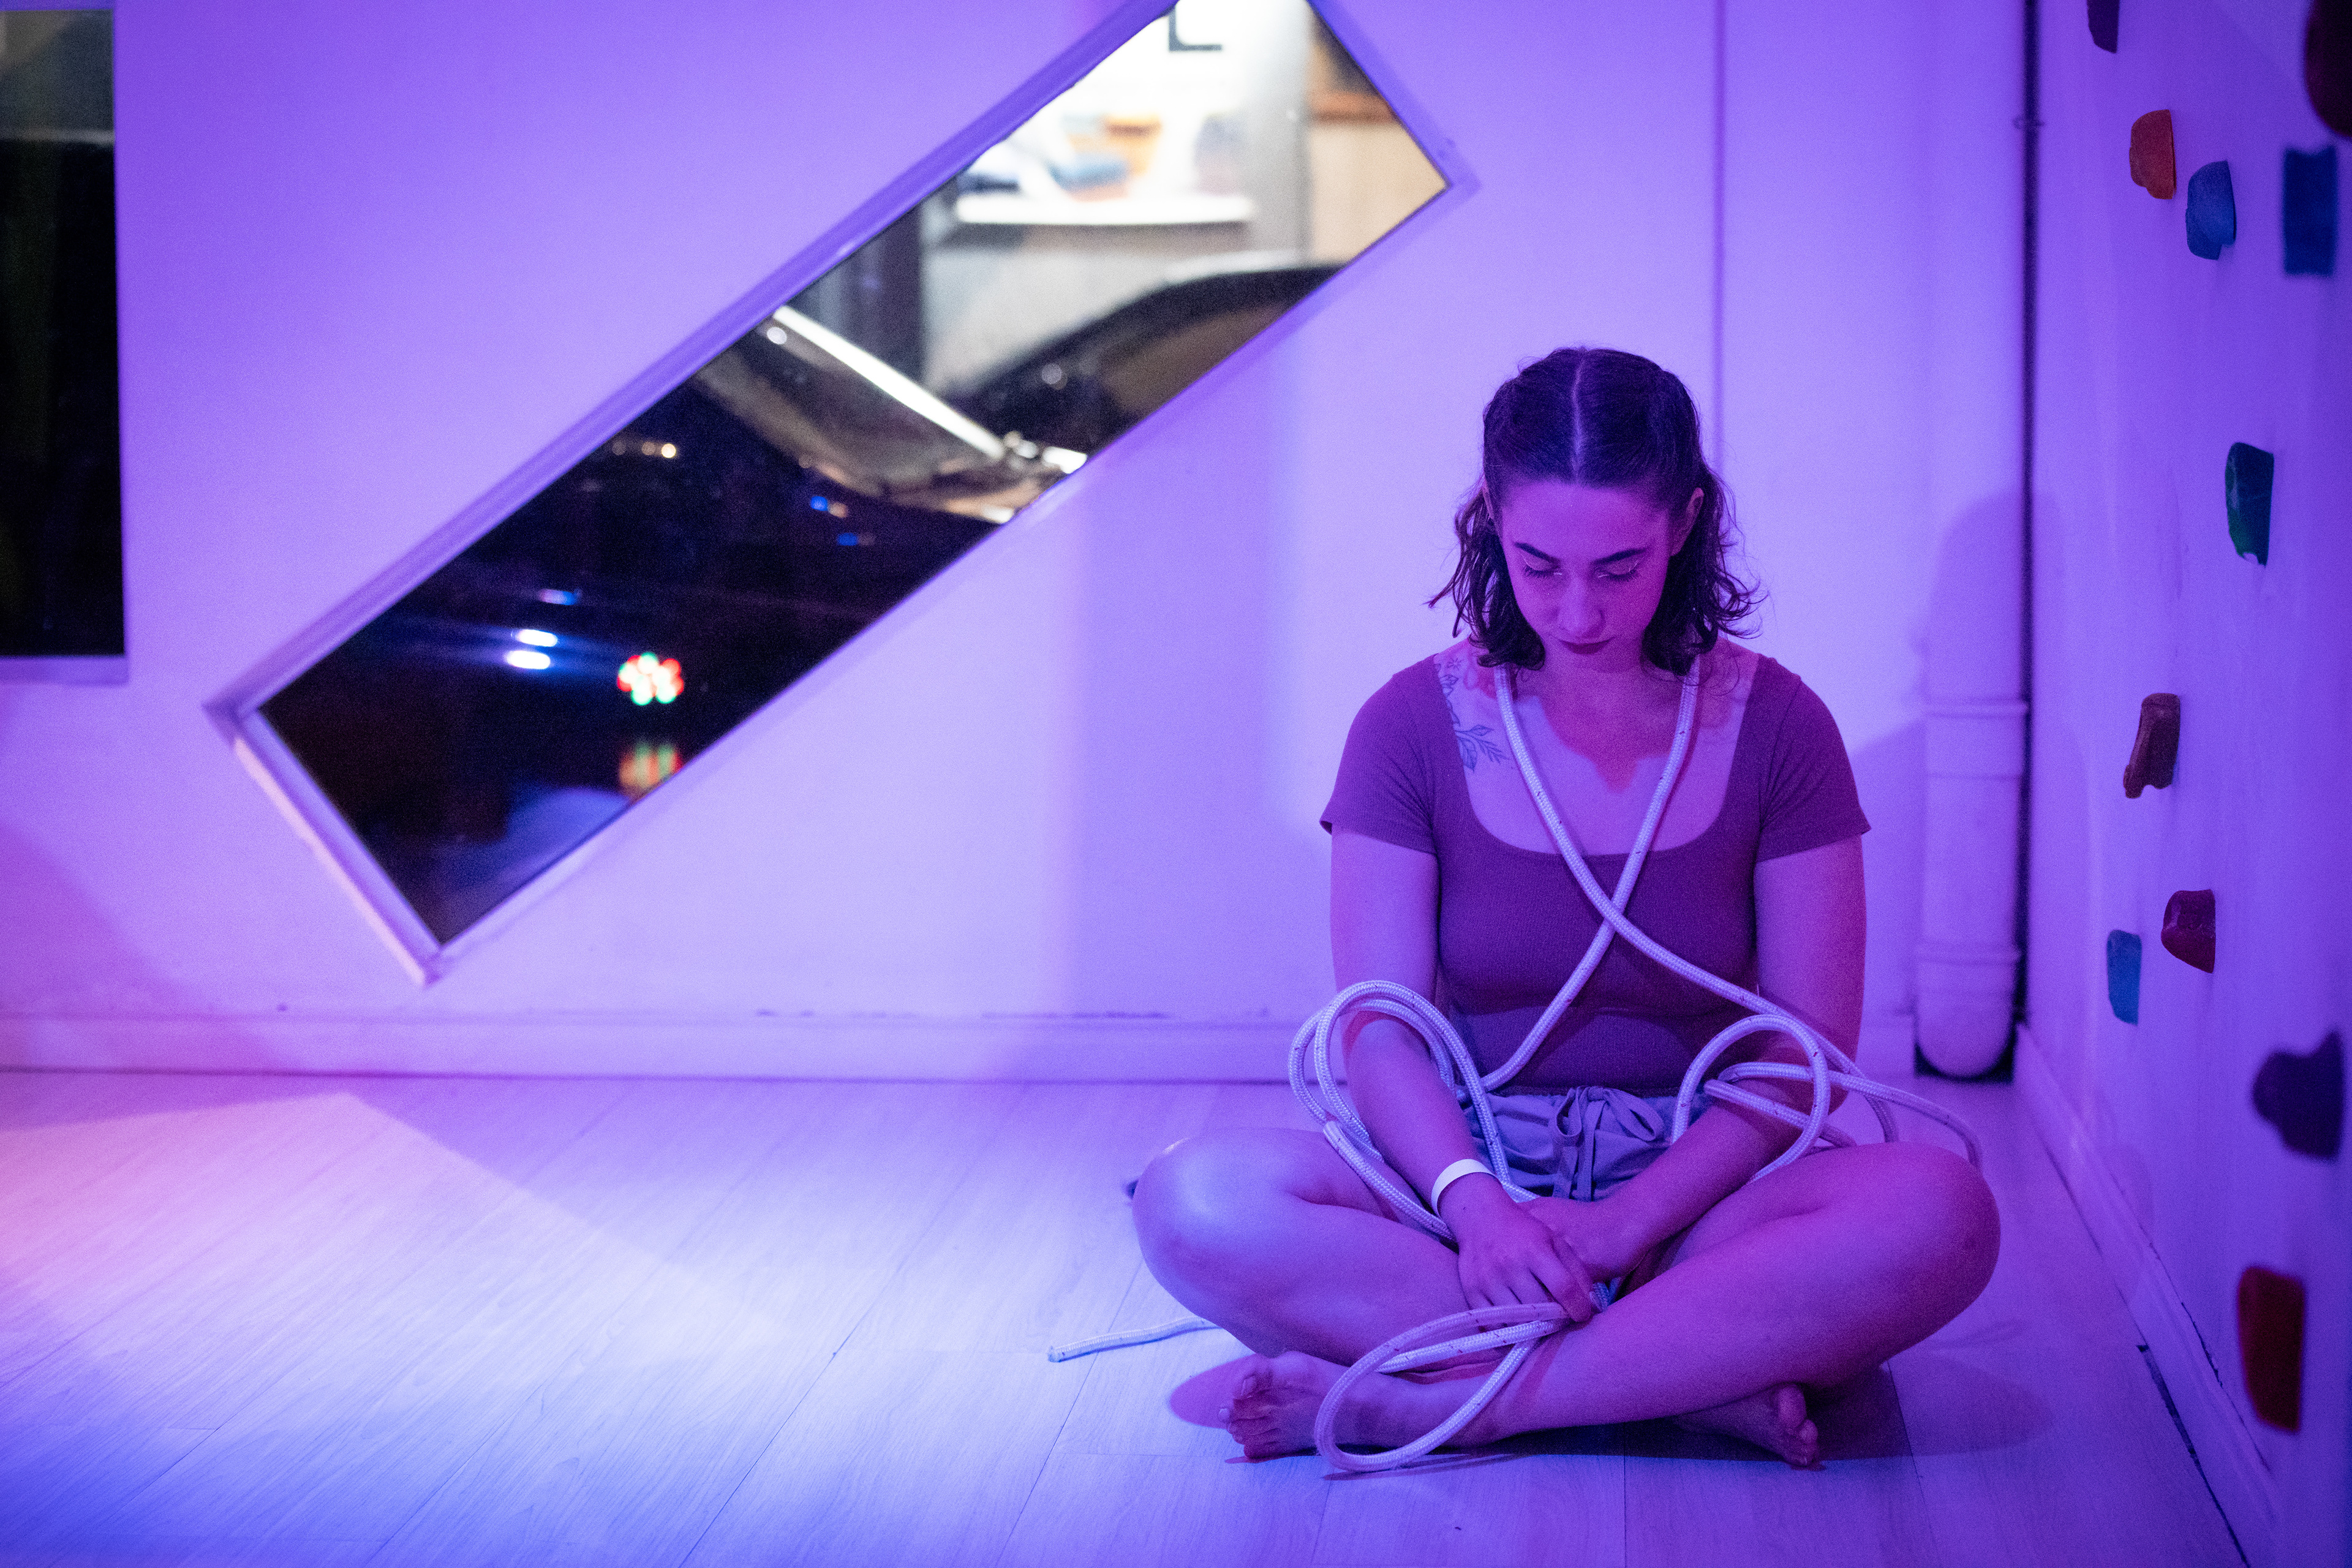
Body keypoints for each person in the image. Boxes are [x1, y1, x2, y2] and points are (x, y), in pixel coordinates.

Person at [1131, 347, 1999, 1466]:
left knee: (1943, 1212)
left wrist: (1630, 1222)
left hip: (1700, 1187)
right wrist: (1479, 1207)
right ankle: (1681, 1382)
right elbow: (1379, 1029)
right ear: (1493, 520)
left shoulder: (1781, 727)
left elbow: (1805, 1052)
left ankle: (1461, 1403)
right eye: (1539, 566)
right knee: (1191, 1201)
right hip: (1469, 1172)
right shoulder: (1410, 726)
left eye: (1618, 568)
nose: (1578, 611)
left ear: (1686, 524)